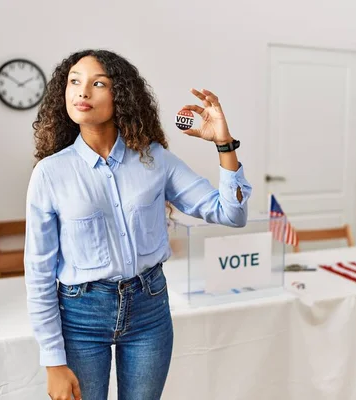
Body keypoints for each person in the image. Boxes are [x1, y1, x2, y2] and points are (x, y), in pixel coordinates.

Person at [24, 49, 252, 400]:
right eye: (74, 82)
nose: (82, 92)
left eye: (98, 83)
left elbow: (231, 214)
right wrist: (53, 360)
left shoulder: (154, 159)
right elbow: (38, 271)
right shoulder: (50, 173)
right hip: (80, 317)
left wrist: (224, 143)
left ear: (122, 95)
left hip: (149, 310)